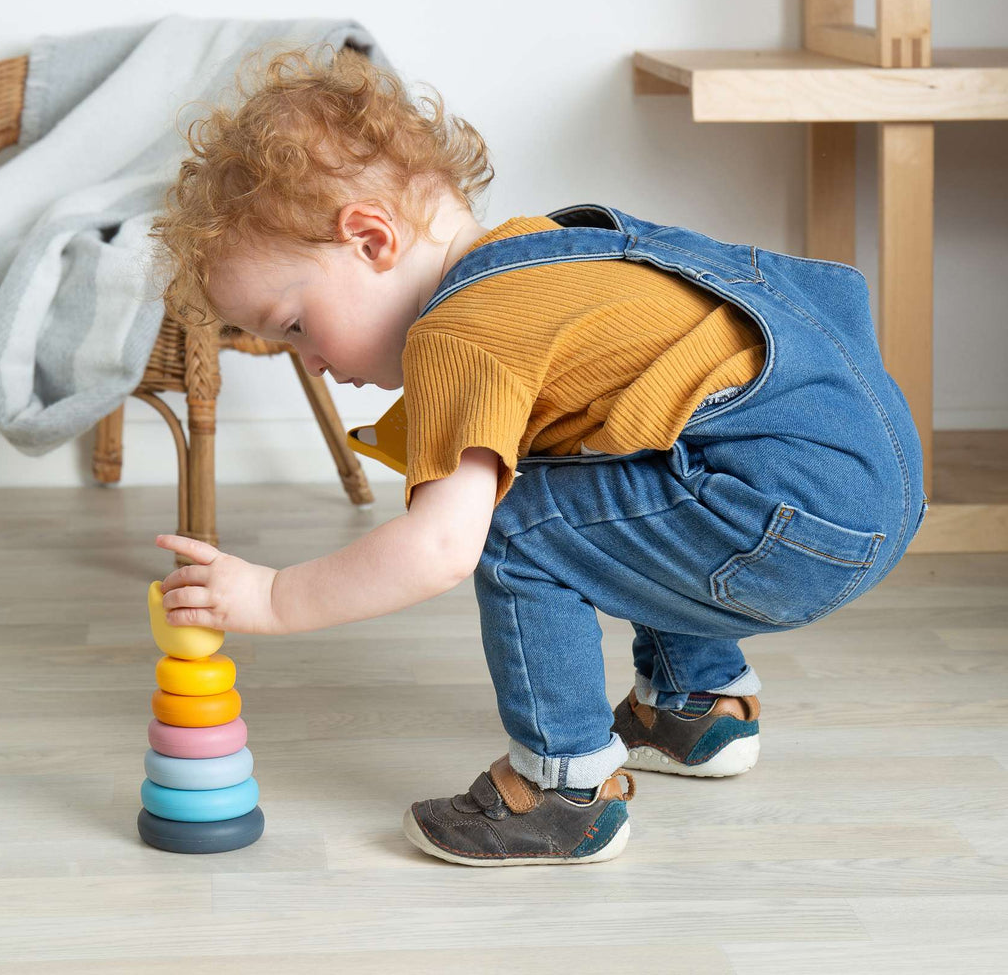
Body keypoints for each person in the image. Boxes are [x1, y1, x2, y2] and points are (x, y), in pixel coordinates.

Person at [147, 42, 928, 868]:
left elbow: (441, 549)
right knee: (612, 477)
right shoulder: (552, 254)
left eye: (294, 323)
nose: (306, 359)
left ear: (371, 239)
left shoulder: (459, 331)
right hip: (870, 474)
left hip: (794, 512)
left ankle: (565, 791)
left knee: (511, 526)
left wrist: (273, 596)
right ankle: (696, 707)